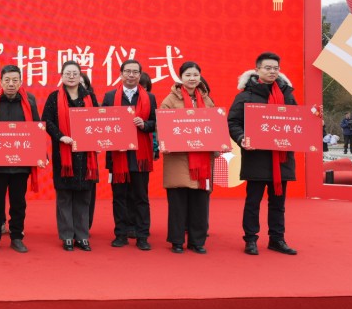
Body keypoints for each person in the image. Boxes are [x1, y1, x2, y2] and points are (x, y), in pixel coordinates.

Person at [228, 52, 299, 256]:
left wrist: (314, 120)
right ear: (257, 69)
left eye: (275, 68)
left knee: (278, 203)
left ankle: (277, 239)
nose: (272, 71)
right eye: (268, 68)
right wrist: (242, 138)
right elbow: (233, 122)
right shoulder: (245, 96)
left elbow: (297, 121)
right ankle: (251, 239)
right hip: (256, 157)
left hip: (281, 157)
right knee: (253, 202)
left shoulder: (287, 94)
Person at [0, 65, 41, 253]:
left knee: (18, 203)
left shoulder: (29, 101)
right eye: (7, 80)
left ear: (21, 82)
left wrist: (39, 154)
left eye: (15, 80)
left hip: (21, 164)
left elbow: (37, 129)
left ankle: (17, 237)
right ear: (1, 82)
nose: (11, 84)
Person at [44, 61, 100, 252]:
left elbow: (97, 122)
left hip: (86, 156)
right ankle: (67, 236)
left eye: (75, 73)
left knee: (84, 197)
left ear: (80, 75)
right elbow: (47, 121)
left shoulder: (90, 97)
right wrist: (61, 137)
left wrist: (99, 142)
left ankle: (82, 236)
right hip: (64, 153)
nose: (71, 76)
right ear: (62, 76)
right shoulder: (54, 97)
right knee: (65, 197)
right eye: (67, 73)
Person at [160, 62, 215, 254]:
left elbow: (215, 126)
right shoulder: (170, 100)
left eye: (195, 75)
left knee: (200, 202)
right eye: (188, 75)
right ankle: (176, 241)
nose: (192, 78)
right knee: (178, 201)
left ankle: (197, 241)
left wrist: (219, 144)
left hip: (202, 158)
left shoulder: (207, 100)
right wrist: (165, 142)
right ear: (181, 77)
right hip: (178, 159)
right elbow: (161, 125)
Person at [102, 60, 157, 250]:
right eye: (127, 71)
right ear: (121, 74)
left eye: (135, 72)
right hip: (118, 156)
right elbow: (103, 123)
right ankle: (121, 234)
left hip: (140, 157)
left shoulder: (149, 97)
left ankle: (142, 236)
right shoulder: (110, 96)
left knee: (141, 197)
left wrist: (145, 124)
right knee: (119, 197)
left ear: (140, 75)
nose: (131, 75)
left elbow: (156, 123)